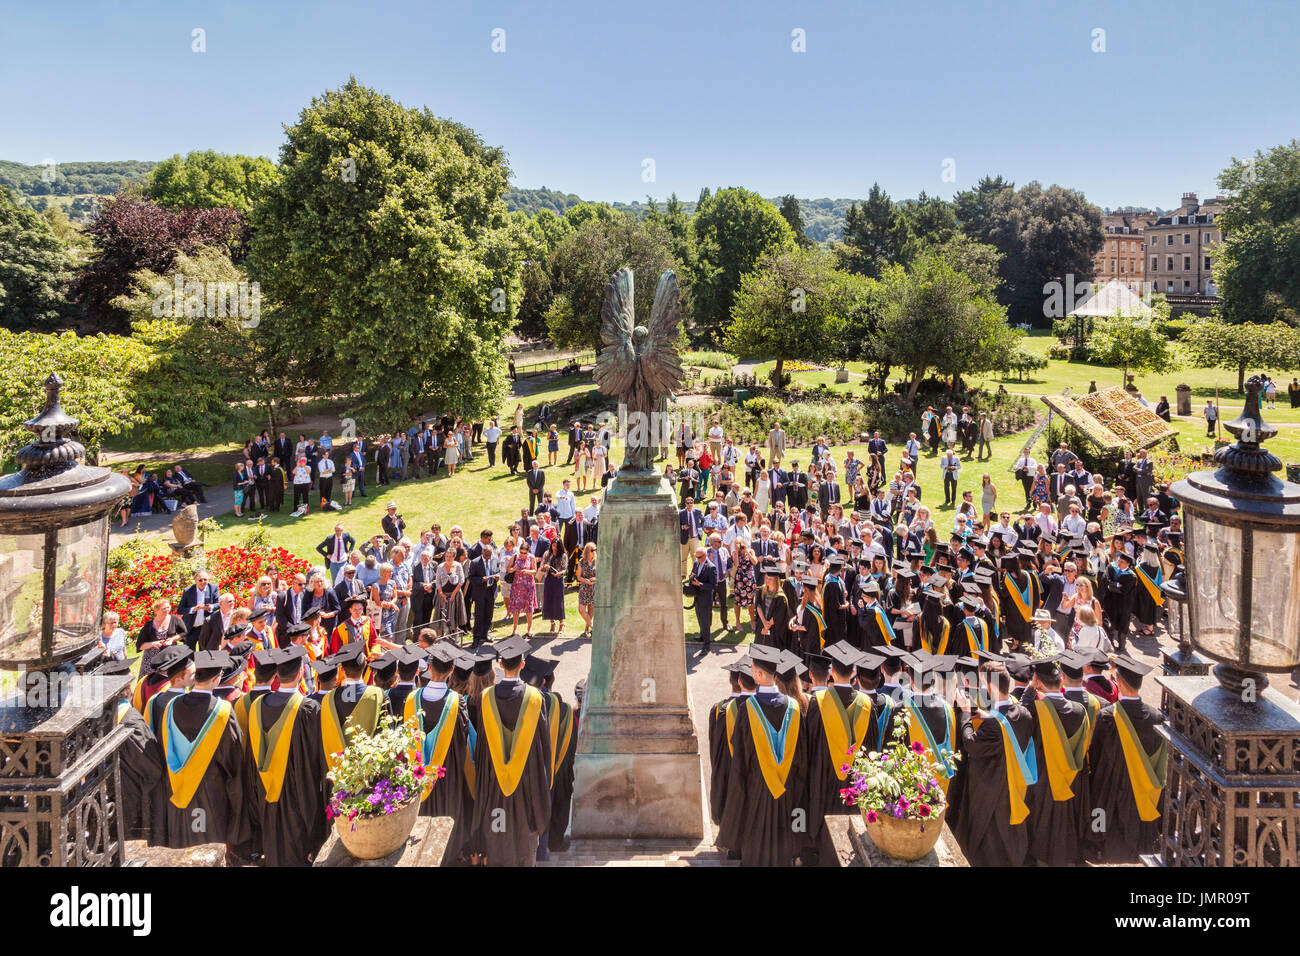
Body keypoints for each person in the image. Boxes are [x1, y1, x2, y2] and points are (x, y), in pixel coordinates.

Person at [715, 645, 809, 866]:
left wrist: (735, 811)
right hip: (788, 793)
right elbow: (802, 761)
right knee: (783, 851)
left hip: (755, 793)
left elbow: (739, 764)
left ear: (757, 675)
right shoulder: (795, 709)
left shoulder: (748, 710)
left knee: (755, 853)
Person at [151, 649, 250, 853]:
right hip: (212, 788)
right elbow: (233, 756)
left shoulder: (171, 706)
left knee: (187, 842)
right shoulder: (221, 711)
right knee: (208, 843)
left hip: (178, 786)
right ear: (217, 678)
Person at [468, 636, 552, 866]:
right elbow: (543, 744)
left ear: (500, 664)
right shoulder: (535, 697)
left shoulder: (486, 697)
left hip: (493, 780)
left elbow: (483, 745)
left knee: (496, 836)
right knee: (525, 839)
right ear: (522, 665)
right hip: (527, 780)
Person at [246, 646, 330, 866]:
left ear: (276, 675)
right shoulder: (308, 708)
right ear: (301, 673)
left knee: (274, 850)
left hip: (265, 795)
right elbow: (318, 759)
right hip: (299, 798)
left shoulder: (256, 706)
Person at [951, 658, 1035, 866]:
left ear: (990, 686)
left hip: (992, 787)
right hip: (1014, 782)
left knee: (991, 836)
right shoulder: (1023, 713)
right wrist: (980, 713)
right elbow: (1004, 722)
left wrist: (964, 714)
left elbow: (971, 744)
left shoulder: (993, 727)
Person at [1088, 654, 1167, 863]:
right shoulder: (1157, 718)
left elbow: (1095, 755)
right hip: (1144, 790)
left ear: (1119, 684)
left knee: (1113, 833)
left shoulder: (1107, 716)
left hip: (1113, 787)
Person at [506, 545, 537, 636]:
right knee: (516, 607)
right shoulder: (515, 556)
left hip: (528, 586)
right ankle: (515, 629)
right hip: (517, 586)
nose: (523, 555)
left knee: (529, 607)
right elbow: (508, 569)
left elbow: (534, 570)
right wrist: (513, 569)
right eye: (521, 552)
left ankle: (529, 628)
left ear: (528, 552)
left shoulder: (531, 557)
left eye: (525, 553)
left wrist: (527, 571)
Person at [540, 537, 567, 635]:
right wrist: (545, 566)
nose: (554, 547)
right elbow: (542, 568)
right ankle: (552, 623)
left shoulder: (563, 555)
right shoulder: (547, 554)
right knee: (549, 601)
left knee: (558, 602)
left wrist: (559, 574)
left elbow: (564, 569)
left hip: (558, 581)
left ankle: (561, 624)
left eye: (556, 546)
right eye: (553, 545)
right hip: (548, 580)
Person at [576, 542, 597, 638]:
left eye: (595, 550)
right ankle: (593, 626)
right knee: (581, 610)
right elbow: (578, 577)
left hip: (594, 589)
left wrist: (595, 579)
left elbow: (603, 575)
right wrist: (586, 581)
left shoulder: (597, 561)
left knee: (591, 610)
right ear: (588, 551)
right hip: (584, 588)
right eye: (592, 550)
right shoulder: (581, 561)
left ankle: (587, 629)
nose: (595, 552)